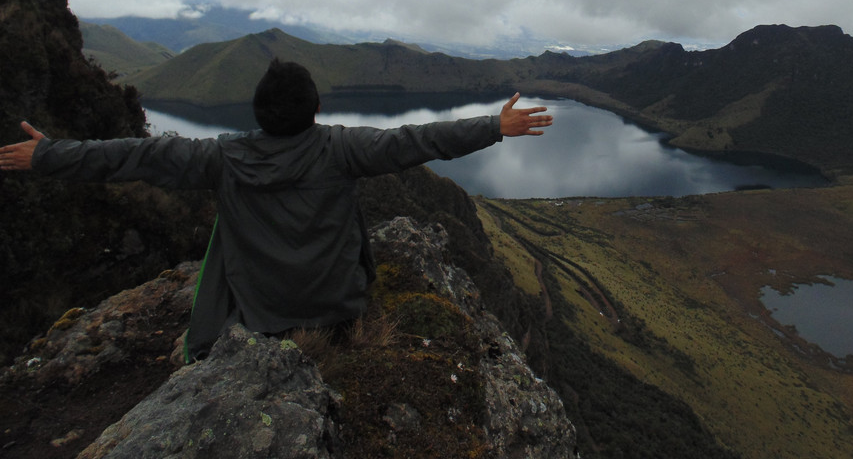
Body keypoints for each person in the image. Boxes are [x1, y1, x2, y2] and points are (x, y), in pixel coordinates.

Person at [0, 58, 552, 361]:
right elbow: (417, 140)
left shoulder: (221, 158)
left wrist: (49, 155)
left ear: (258, 112)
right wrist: (494, 126)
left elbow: (135, 157)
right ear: (316, 107)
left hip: (260, 316)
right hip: (339, 308)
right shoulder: (340, 148)